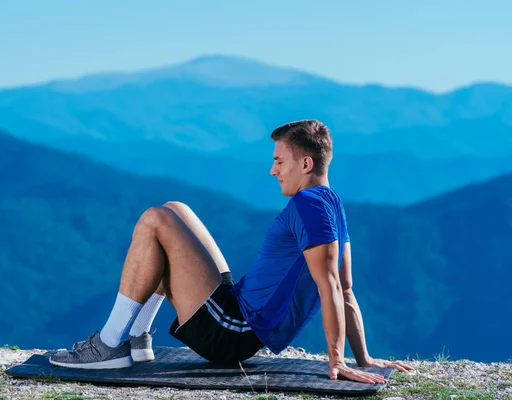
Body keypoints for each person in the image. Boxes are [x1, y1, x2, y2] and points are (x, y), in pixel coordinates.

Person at [49, 119, 413, 383]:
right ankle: (138, 340)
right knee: (176, 210)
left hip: (232, 330)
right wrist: (363, 358)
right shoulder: (330, 202)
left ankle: (110, 345)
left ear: (306, 164)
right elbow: (346, 287)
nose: (272, 171)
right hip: (235, 310)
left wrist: (339, 360)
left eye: (279, 161)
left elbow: (331, 285)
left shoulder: (310, 206)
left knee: (154, 220)